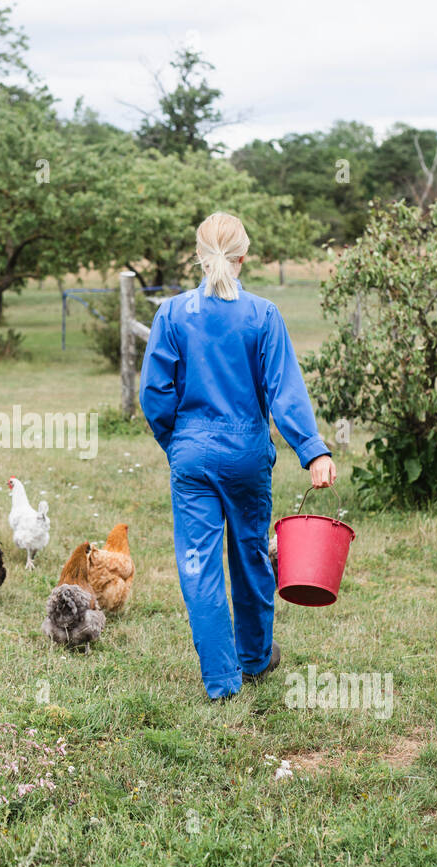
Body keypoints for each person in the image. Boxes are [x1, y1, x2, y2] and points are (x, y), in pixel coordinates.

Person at [139, 211, 336, 701]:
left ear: (198, 258)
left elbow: (154, 393)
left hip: (192, 453)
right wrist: (313, 451)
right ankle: (254, 658)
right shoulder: (263, 315)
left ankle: (222, 682)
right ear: (244, 258)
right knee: (251, 555)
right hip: (247, 451)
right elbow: (284, 390)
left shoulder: (171, 313)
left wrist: (178, 442)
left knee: (197, 565)